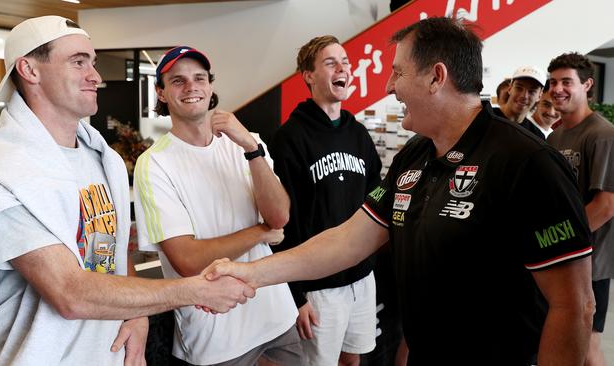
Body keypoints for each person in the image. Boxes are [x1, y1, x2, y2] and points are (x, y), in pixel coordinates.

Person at [203, 17, 596, 365]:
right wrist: (249, 273)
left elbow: (574, 306)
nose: (389, 85)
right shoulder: (415, 154)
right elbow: (346, 240)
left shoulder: (528, 162)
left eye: (398, 73)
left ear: (436, 77)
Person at [0, 16, 254, 366]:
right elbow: (71, 294)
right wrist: (193, 290)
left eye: (93, 62)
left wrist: (137, 314)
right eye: (78, 62)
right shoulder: (3, 173)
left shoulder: (99, 158)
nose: (96, 76)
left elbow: (110, 252)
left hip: (107, 353)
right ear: (29, 69)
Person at [133, 45, 301, 366]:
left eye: (199, 78)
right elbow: (189, 261)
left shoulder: (247, 142)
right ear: (162, 93)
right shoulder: (154, 164)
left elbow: (279, 216)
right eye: (178, 81)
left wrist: (252, 148)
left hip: (277, 316)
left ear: (210, 86)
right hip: (216, 337)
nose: (191, 86)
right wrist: (260, 233)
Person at [268, 35, 381, 366]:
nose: (342, 68)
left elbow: (376, 201)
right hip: (317, 286)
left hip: (361, 278)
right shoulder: (289, 138)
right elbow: (281, 223)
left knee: (352, 360)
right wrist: (296, 295)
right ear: (309, 75)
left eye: (345, 62)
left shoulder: (358, 134)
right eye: (331, 63)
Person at [546, 52, 614, 366]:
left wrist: (553, 238)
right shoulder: (557, 135)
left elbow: (605, 205)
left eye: (566, 82)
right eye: (553, 82)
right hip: (561, 256)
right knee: (563, 344)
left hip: (589, 261)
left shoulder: (603, 135)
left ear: (587, 84)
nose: (557, 89)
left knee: (587, 349)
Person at [493, 66, 546, 140]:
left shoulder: (536, 136)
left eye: (532, 91)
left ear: (539, 96)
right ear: (510, 88)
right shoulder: (485, 117)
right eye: (519, 88)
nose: (524, 96)